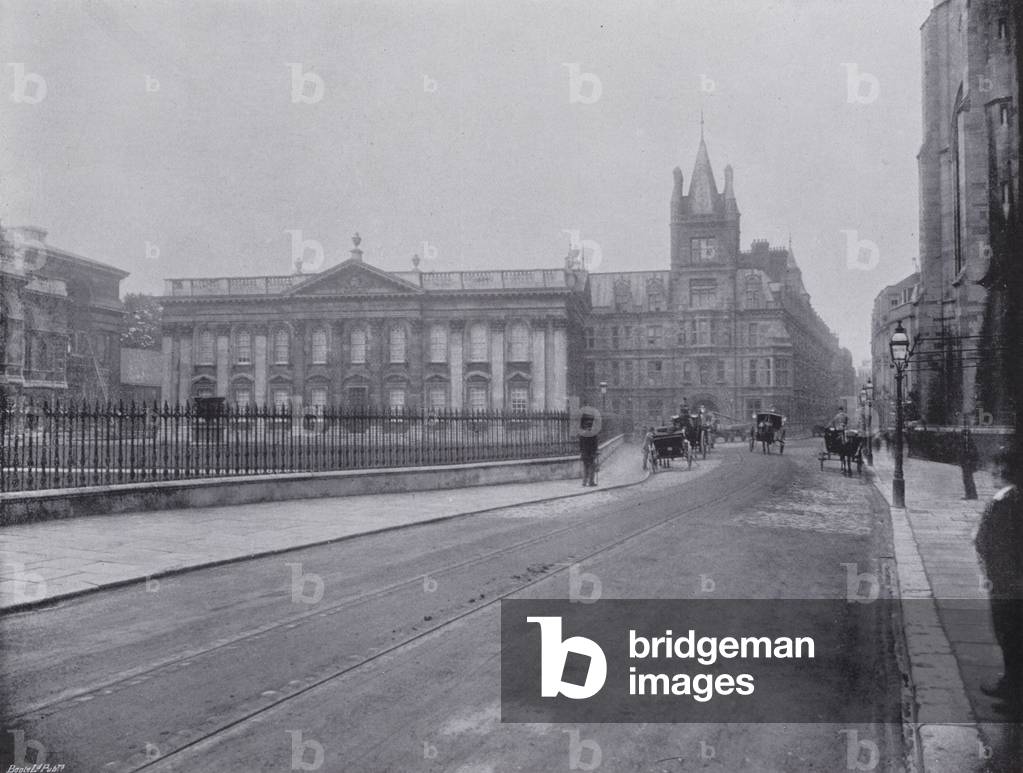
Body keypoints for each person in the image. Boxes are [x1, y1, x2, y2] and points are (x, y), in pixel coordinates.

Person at [975, 445, 1023, 716]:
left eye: (998, 467)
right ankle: (1010, 683)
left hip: (1007, 584)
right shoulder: (1009, 498)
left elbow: (995, 543)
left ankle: (1015, 695)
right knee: (1009, 635)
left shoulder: (1007, 501)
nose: (993, 471)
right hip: (1006, 580)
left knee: (1009, 634)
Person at [579, 410, 599, 487]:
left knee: (585, 467)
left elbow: (580, 445)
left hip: (584, 453)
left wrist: (581, 452)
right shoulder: (593, 434)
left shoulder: (582, 434)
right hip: (590, 453)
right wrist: (595, 452)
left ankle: (584, 482)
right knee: (592, 467)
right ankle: (591, 482)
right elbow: (594, 445)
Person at [960, 427, 979, 500]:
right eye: (964, 435)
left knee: (968, 479)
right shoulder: (966, 444)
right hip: (965, 464)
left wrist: (972, 462)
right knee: (967, 480)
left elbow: (974, 454)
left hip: (969, 464)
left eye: (966, 435)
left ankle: (971, 495)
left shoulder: (969, 444)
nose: (965, 437)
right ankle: (971, 495)